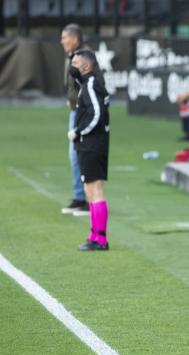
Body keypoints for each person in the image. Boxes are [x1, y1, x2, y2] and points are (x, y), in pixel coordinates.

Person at [67, 50, 111, 251]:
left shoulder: (92, 84)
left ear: (86, 67)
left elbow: (97, 114)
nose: (71, 66)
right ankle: (94, 234)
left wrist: (78, 131)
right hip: (88, 144)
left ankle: (100, 239)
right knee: (89, 190)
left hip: (93, 144)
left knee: (95, 190)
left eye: (75, 63)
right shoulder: (87, 84)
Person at [61, 23, 91, 215]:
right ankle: (80, 198)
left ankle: (85, 199)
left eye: (65, 37)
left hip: (83, 112)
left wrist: (78, 101)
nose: (62, 41)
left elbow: (90, 84)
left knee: (78, 154)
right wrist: (71, 100)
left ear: (75, 39)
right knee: (75, 154)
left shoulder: (83, 57)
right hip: (76, 109)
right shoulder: (73, 56)